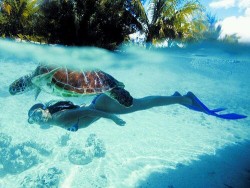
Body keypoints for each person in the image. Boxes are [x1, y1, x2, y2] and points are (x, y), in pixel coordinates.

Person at [27, 92, 247, 132]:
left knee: (143, 104)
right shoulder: (54, 119)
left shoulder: (58, 118)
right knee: (143, 103)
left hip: (103, 106)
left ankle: (184, 98)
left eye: (38, 115)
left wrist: (113, 119)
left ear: (45, 110)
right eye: (33, 121)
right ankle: (178, 97)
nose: (38, 121)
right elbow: (81, 113)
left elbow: (92, 113)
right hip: (99, 102)